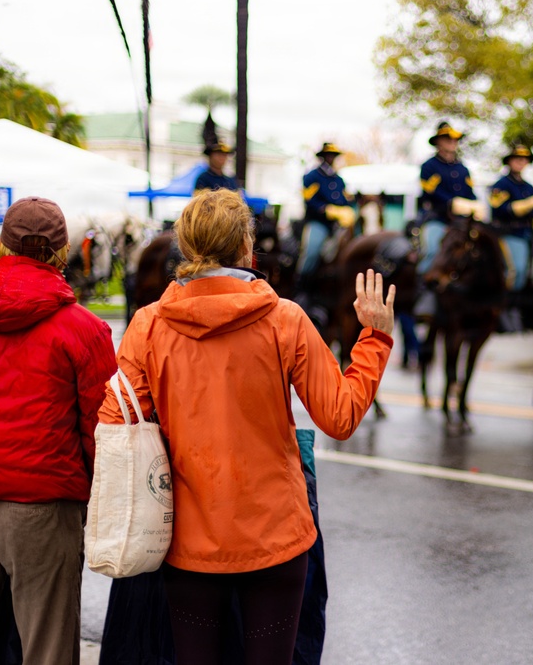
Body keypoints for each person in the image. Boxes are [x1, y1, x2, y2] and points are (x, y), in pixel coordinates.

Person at [98, 188, 394, 665]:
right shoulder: (285, 319)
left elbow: (115, 424)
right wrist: (375, 338)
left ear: (188, 249)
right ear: (246, 249)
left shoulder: (147, 325)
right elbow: (339, 417)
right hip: (276, 537)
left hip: (187, 541)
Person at [0, 196, 116, 662]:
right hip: (41, 509)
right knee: (48, 650)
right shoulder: (84, 330)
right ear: (62, 253)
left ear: (1, 247)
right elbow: (100, 431)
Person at [414, 121, 484, 319]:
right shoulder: (429, 166)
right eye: (448, 139)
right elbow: (429, 191)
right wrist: (451, 203)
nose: (452, 142)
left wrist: (475, 205)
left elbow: (470, 193)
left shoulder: (463, 169)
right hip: (437, 218)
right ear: (438, 142)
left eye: (455, 139)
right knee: (433, 250)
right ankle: (423, 296)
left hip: (460, 223)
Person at [489, 145, 533, 333]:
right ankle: (503, 310)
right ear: (509, 161)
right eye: (517, 159)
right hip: (508, 233)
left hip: (526, 236)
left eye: (524, 160)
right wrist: (526, 205)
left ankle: (518, 309)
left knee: (532, 272)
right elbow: (499, 209)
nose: (521, 162)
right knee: (515, 270)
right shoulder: (501, 184)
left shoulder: (528, 186)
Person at [295, 142, 356, 324]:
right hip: (318, 222)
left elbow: (346, 199)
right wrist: (326, 210)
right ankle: (302, 289)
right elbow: (309, 200)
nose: (330, 159)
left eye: (333, 156)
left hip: (338, 225)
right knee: (312, 251)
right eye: (328, 156)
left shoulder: (339, 179)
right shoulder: (311, 176)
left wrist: (349, 207)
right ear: (322, 157)